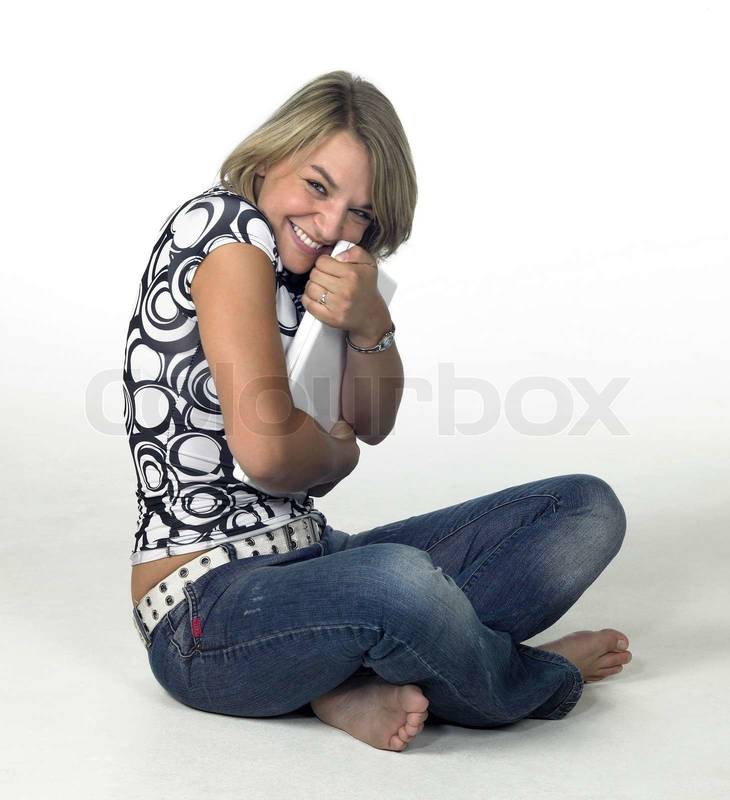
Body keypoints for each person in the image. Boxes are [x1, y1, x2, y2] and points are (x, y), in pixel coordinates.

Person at [122, 70, 632, 753]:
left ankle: (339, 681)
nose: (332, 224)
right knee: (399, 583)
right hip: (203, 612)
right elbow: (271, 455)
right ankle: (527, 675)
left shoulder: (316, 269)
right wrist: (337, 453)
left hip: (313, 558)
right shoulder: (228, 229)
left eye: (359, 212)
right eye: (317, 186)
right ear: (269, 157)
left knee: (584, 509)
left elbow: (373, 420)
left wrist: (370, 321)